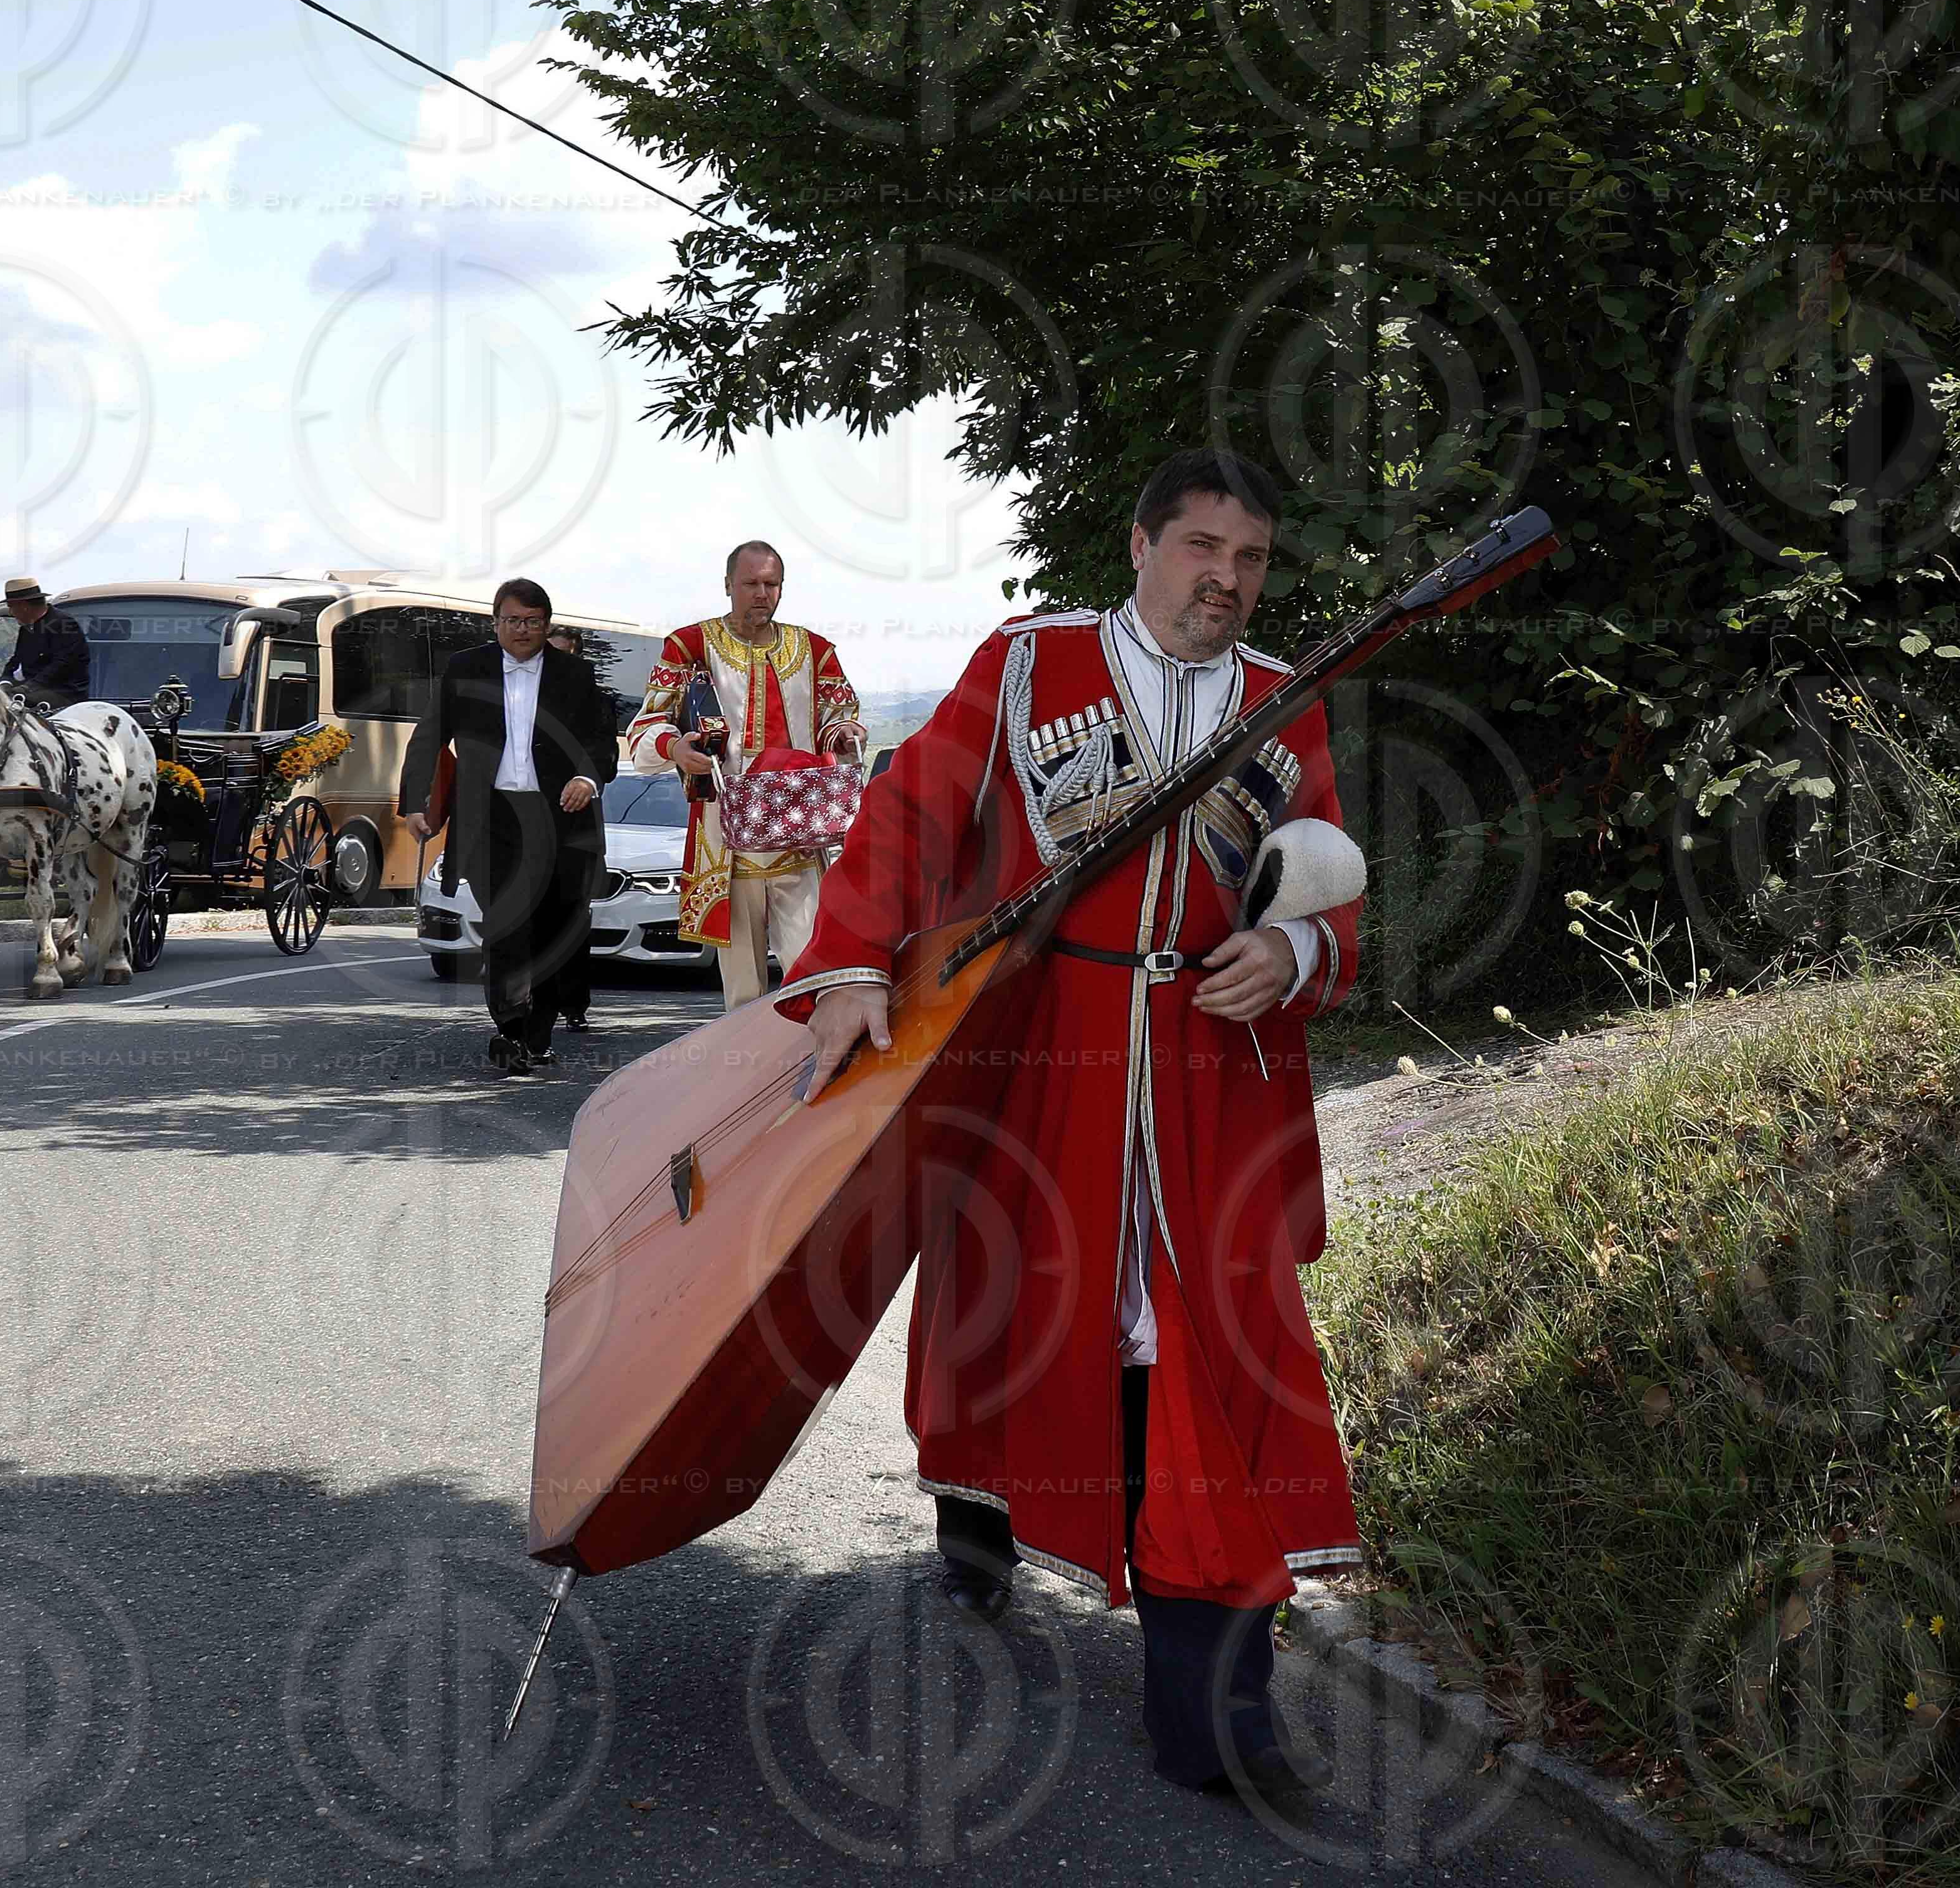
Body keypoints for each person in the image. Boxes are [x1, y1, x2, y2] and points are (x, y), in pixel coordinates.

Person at [783, 447, 1362, 1801]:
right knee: (1013, 1307)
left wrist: (1293, 952)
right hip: (1050, 1058)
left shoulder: (1285, 704)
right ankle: (979, 1501)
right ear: (1144, 541)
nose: (1226, 577)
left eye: (1253, 558)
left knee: (1211, 1352)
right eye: (1203, 546)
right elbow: (912, 810)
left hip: (1218, 1077)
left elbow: (1324, 876)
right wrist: (854, 963)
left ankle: (1224, 1706)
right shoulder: (1033, 664)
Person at [626, 541, 866, 1006]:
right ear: (728, 586)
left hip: (799, 830)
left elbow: (839, 715)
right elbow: (647, 725)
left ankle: (811, 1068)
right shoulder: (690, 645)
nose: (762, 593)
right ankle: (748, 1070)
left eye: (771, 584)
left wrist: (843, 730)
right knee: (742, 988)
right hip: (726, 836)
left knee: (812, 973)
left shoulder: (814, 650)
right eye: (751, 584)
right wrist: (675, 746)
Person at [397, 580, 617, 1075]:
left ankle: (537, 1035)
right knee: (506, 928)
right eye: (513, 621)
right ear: (495, 622)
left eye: (534, 622)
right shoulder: (465, 668)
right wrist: (416, 804)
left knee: (553, 929)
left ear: (548, 625)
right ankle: (512, 1029)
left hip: (560, 819)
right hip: (492, 819)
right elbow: (431, 733)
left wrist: (586, 776)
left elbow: (602, 742)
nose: (523, 631)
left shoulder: (576, 674)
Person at [0, 577, 90, 710]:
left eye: (11, 607)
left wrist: (28, 688)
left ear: (24, 606)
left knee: (8, 703)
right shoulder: (27, 629)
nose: (11, 612)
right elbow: (17, 660)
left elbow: (62, 664)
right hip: (34, 689)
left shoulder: (64, 623)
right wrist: (4, 681)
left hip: (65, 693)